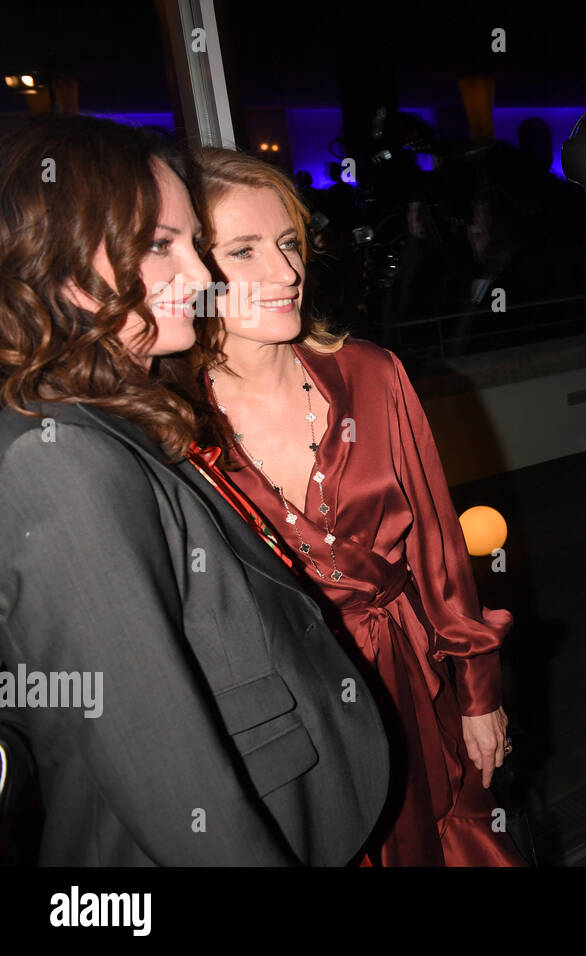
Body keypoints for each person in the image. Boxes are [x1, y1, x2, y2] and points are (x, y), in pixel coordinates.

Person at [0, 114, 390, 864]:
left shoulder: (106, 415)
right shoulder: (59, 458)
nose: (203, 277)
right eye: (159, 245)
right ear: (65, 262)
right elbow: (164, 770)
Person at [174, 147, 522, 866]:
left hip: (411, 682)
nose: (287, 272)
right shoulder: (171, 425)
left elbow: (438, 551)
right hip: (289, 715)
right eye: (243, 251)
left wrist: (478, 693)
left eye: (290, 243)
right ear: (189, 273)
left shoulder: (370, 375)